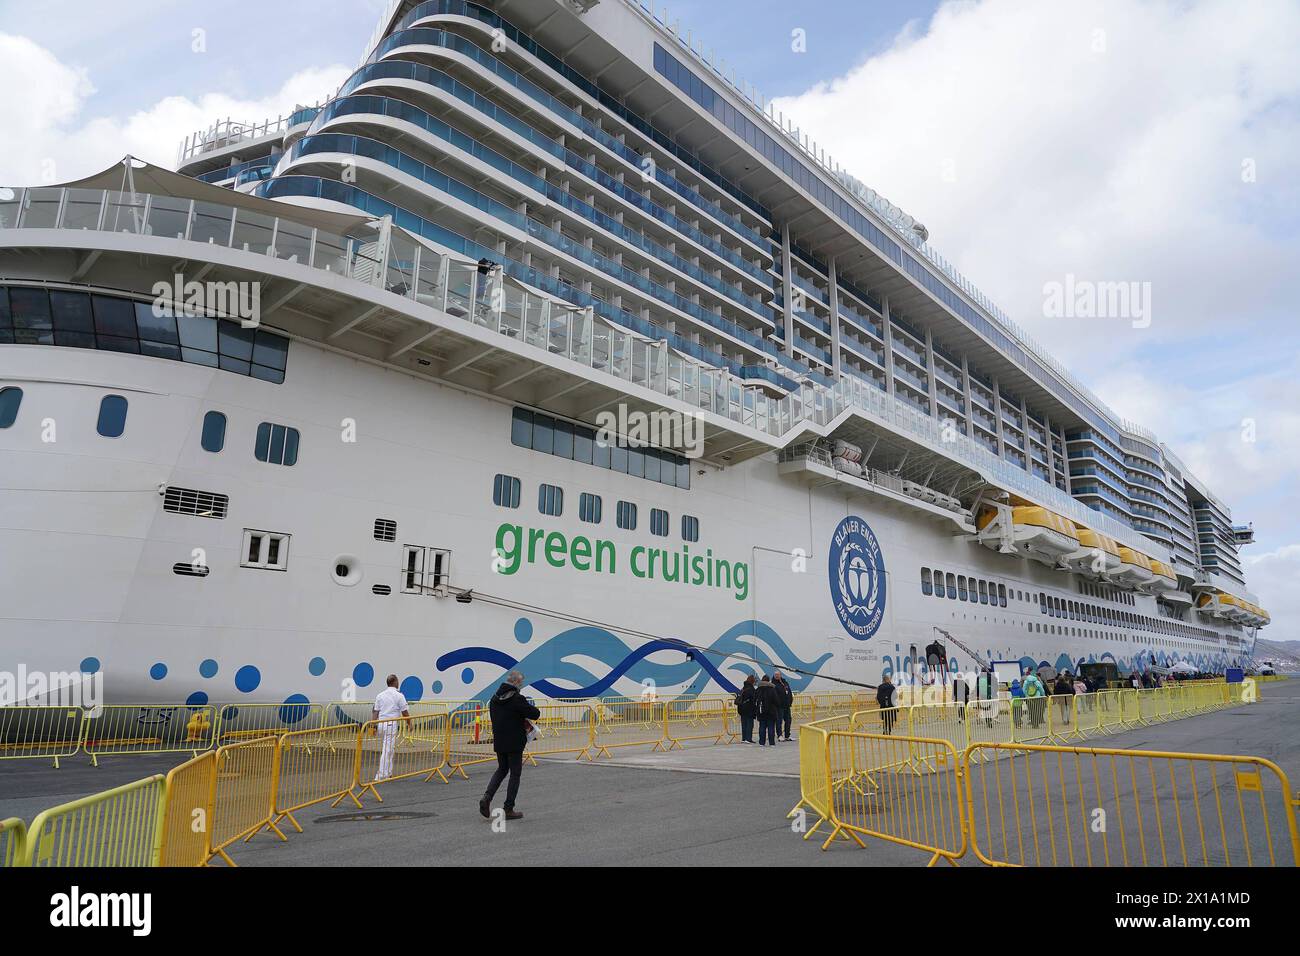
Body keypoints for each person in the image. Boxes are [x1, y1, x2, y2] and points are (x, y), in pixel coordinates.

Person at [479, 670, 541, 821]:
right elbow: (535, 713)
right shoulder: (517, 699)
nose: (521, 686)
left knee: (501, 769)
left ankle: (487, 797)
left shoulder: (494, 698)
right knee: (515, 773)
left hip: (500, 740)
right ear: (515, 683)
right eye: (520, 683)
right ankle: (508, 807)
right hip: (514, 742)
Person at [372, 674, 410, 782]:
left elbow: (375, 711)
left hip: (381, 724)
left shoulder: (380, 695)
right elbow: (405, 712)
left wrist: (373, 726)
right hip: (390, 724)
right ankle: (381, 775)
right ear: (395, 682)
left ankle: (388, 772)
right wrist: (409, 723)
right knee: (387, 749)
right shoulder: (399, 695)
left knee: (389, 749)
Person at [755, 675, 780, 746]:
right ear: (769, 681)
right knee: (771, 727)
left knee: (762, 727)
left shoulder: (758, 689)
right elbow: (776, 701)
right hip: (771, 711)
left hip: (761, 711)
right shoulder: (772, 689)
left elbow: (755, 700)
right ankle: (771, 742)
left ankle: (761, 742)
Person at [772, 670, 794, 741]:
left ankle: (787, 735)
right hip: (779, 707)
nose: (777, 676)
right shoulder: (773, 684)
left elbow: (789, 692)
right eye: (775, 675)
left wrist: (790, 701)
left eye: (778, 674)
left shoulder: (785, 682)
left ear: (780, 675)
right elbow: (775, 696)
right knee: (779, 721)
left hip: (787, 706)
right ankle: (779, 735)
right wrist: (778, 704)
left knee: (788, 720)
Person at [735, 675, 757, 743]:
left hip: (742, 709)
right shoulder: (751, 689)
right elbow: (753, 700)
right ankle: (748, 738)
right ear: (753, 681)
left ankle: (744, 738)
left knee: (744, 724)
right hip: (749, 709)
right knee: (750, 724)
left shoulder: (743, 688)